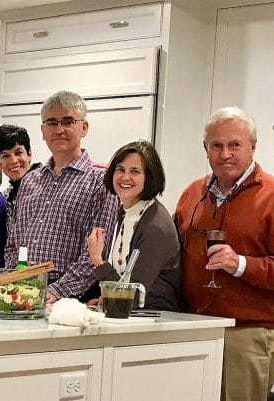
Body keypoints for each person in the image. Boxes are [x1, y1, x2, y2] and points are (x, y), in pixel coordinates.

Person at [174, 107, 273, 401]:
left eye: (235, 145)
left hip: (246, 335)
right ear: (206, 149)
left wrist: (240, 264)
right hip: (195, 328)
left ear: (253, 148)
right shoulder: (192, 193)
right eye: (216, 145)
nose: (225, 153)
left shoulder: (271, 195)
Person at [4, 90, 119, 302]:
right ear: (42, 130)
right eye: (52, 122)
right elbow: (14, 243)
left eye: (68, 121)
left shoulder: (102, 182)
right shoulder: (29, 181)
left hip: (71, 300)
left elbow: (95, 254)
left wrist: (57, 291)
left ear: (84, 127)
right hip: (22, 292)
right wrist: (13, 281)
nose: (59, 130)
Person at [86, 140, 181, 311]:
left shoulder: (155, 226)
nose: (125, 177)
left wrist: (98, 261)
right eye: (120, 169)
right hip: (132, 318)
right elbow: (124, 281)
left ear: (149, 177)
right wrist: (105, 298)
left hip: (157, 321)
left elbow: (133, 298)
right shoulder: (125, 212)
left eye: (135, 171)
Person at [0, 124, 40, 232]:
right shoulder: (6, 196)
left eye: (18, 153)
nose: (13, 160)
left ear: (29, 154)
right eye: (5, 156)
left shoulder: (46, 188)